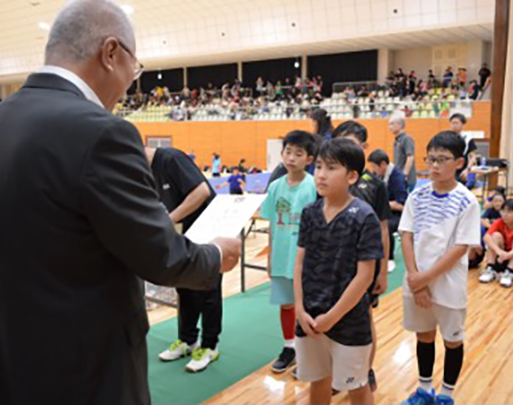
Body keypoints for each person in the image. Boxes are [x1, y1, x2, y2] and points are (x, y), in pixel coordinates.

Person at [0, 2, 241, 404]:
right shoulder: (102, 133)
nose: (132, 83)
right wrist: (216, 254)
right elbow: (163, 257)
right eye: (136, 68)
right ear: (111, 53)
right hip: (86, 367)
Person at [294, 138, 384, 405]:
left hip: (348, 320)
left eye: (331, 168)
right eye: (319, 166)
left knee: (356, 385)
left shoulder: (363, 216)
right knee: (318, 380)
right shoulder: (310, 213)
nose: (321, 174)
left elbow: (364, 276)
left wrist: (332, 317)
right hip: (309, 315)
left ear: (352, 176)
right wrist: (299, 309)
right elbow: (299, 263)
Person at [399, 131, 481, 405]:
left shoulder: (467, 201)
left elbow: (460, 247)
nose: (435, 165)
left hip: (447, 285)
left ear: (459, 162)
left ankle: (446, 395)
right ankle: (423, 391)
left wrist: (424, 279)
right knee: (424, 336)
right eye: (431, 159)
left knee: (452, 340)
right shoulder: (417, 195)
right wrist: (415, 278)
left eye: (442, 159)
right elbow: (407, 235)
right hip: (415, 281)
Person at [144, 147, 223, 372]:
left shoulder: (171, 158)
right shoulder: (144, 171)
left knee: (208, 289)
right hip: (184, 233)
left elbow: (201, 192)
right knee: (184, 286)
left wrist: (169, 220)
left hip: (210, 228)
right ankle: (188, 340)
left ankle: (210, 346)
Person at [332, 121, 391, 392]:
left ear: (364, 146)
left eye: (353, 142)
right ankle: (336, 375)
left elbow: (382, 229)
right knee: (332, 320)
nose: (346, 147)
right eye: (341, 140)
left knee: (363, 320)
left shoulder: (375, 184)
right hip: (331, 268)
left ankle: (365, 371)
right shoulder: (328, 180)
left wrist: (381, 270)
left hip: (363, 267)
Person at [261, 131, 318, 374]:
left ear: (309, 159)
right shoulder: (275, 187)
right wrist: (270, 258)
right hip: (282, 256)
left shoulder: (314, 186)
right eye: (287, 152)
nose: (291, 157)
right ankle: (289, 347)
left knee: (307, 305)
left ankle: (309, 352)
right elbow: (272, 225)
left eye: (298, 153)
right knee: (286, 305)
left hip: (306, 259)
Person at [368, 149, 408, 266]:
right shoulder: (380, 176)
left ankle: (389, 258)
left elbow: (402, 205)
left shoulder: (397, 178)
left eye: (375, 167)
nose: (373, 170)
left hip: (397, 215)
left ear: (383, 164)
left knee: (386, 226)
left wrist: (382, 204)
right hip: (386, 211)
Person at [479, 199, 513, 288]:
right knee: (495, 235)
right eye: (503, 211)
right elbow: (486, 237)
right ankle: (491, 268)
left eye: (509, 212)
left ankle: (509, 272)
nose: (505, 214)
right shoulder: (499, 222)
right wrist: (499, 252)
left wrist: (509, 254)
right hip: (500, 258)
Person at [469, 192, 505, 268]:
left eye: (500, 201)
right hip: (488, 236)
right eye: (495, 201)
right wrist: (490, 226)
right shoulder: (489, 211)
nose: (498, 203)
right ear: (491, 202)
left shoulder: (505, 213)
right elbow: (482, 219)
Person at [390, 116, 416, 192]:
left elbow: (410, 157)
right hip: (399, 178)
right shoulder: (397, 140)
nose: (389, 127)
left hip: (406, 180)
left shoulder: (406, 139)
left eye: (391, 124)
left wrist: (404, 175)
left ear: (400, 125)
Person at [449, 113, 477, 186]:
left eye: (457, 123)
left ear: (463, 125)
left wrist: (467, 170)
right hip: (449, 170)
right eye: (452, 123)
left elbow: (473, 158)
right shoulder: (447, 138)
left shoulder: (468, 139)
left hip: (462, 172)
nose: (454, 125)